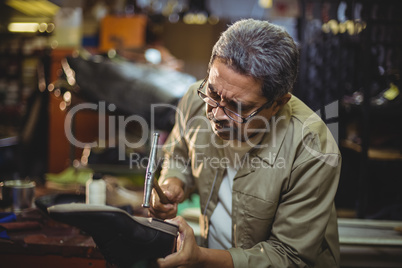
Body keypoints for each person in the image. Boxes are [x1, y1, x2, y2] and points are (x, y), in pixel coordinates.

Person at [149, 18, 341, 268]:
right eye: (214, 93)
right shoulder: (196, 99)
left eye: (238, 108)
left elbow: (290, 257)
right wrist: (172, 183)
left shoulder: (312, 147)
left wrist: (201, 258)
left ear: (278, 104)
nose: (216, 114)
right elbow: (179, 155)